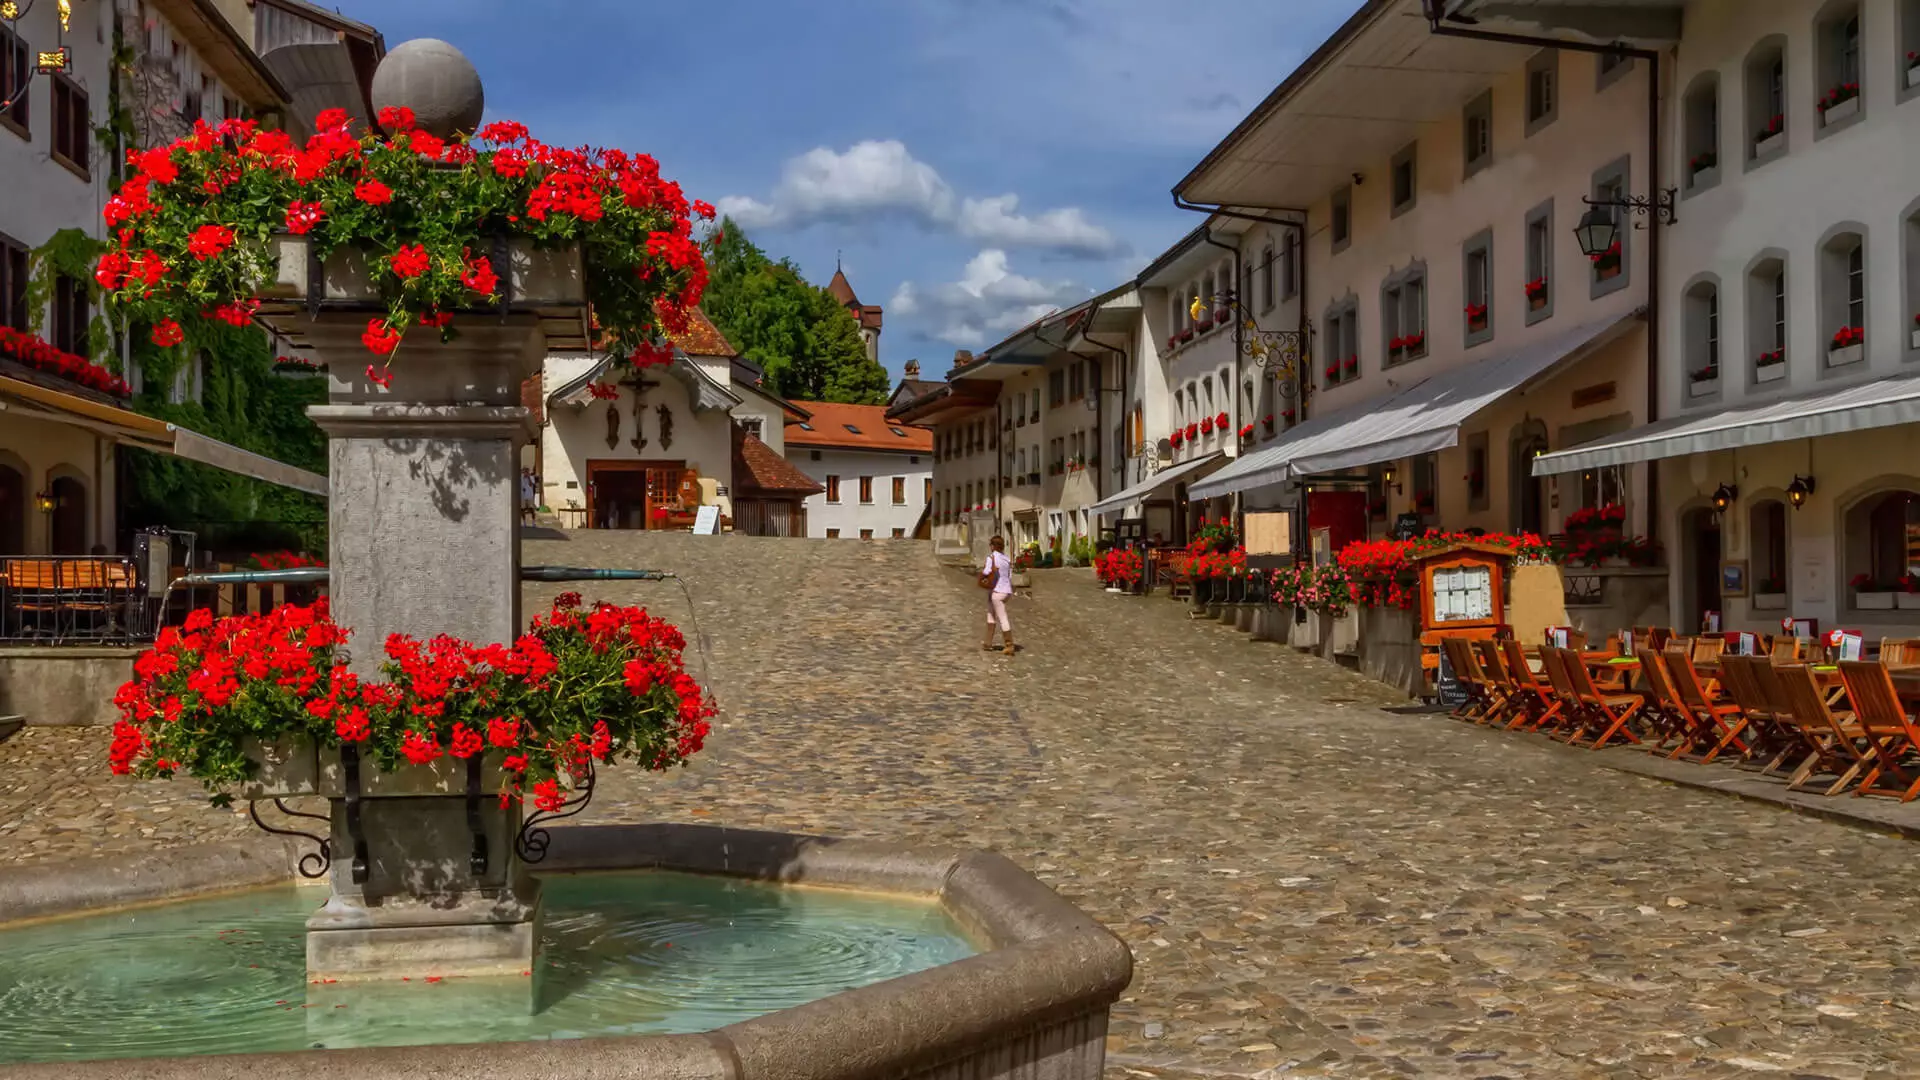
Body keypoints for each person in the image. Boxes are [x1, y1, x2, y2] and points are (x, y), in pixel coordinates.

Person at [980, 535, 1015, 656]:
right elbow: (1010, 576)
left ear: (993, 546)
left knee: (1001, 617)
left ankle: (1009, 645)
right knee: (990, 613)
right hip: (1006, 590)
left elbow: (987, 572)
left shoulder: (992, 557)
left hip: (997, 591)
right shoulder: (1006, 559)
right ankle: (987, 642)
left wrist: (982, 574)